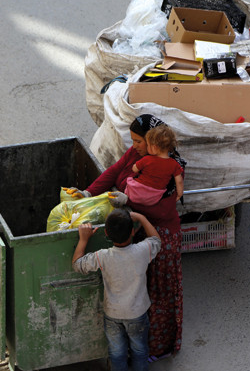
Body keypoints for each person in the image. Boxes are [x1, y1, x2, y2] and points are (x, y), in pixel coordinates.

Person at [67, 114, 185, 360]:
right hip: (136, 226)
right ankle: (139, 350)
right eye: (133, 141)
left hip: (160, 230)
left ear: (154, 142)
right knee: (138, 289)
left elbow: (164, 209)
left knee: (157, 291)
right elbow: (115, 171)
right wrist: (89, 192)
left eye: (139, 141)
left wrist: (129, 202)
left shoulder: (171, 168)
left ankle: (156, 348)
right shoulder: (137, 155)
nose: (135, 146)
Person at [72, 209, 161, 371]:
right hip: (137, 313)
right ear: (133, 231)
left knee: (116, 353)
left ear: (106, 233)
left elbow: (78, 265)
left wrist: (83, 239)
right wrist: (142, 217)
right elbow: (156, 240)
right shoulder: (142, 251)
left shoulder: (103, 256)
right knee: (140, 351)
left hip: (113, 314)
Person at [125, 124, 184, 205]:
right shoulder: (175, 164)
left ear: (154, 147)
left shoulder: (147, 159)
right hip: (153, 198)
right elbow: (179, 181)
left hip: (136, 192)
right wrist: (180, 194)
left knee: (130, 179)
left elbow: (134, 169)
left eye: (148, 145)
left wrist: (135, 165)